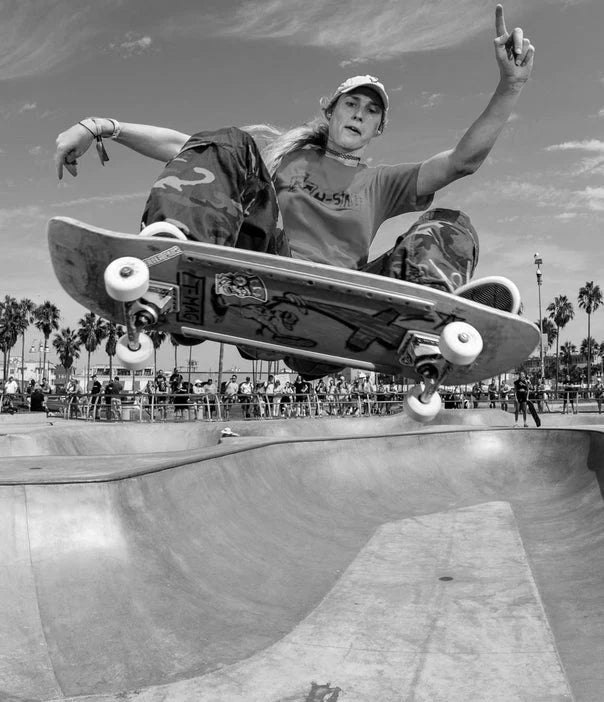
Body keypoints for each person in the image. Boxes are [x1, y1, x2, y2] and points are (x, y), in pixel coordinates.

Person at [55, 6, 534, 377]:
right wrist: (104, 126)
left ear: (378, 130)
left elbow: (461, 162)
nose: (359, 114)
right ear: (331, 111)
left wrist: (510, 87)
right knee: (229, 141)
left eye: (371, 112)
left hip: (347, 314)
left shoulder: (382, 181)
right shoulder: (282, 160)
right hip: (258, 282)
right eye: (352, 104)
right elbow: (191, 149)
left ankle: (428, 327)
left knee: (451, 224)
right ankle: (173, 251)